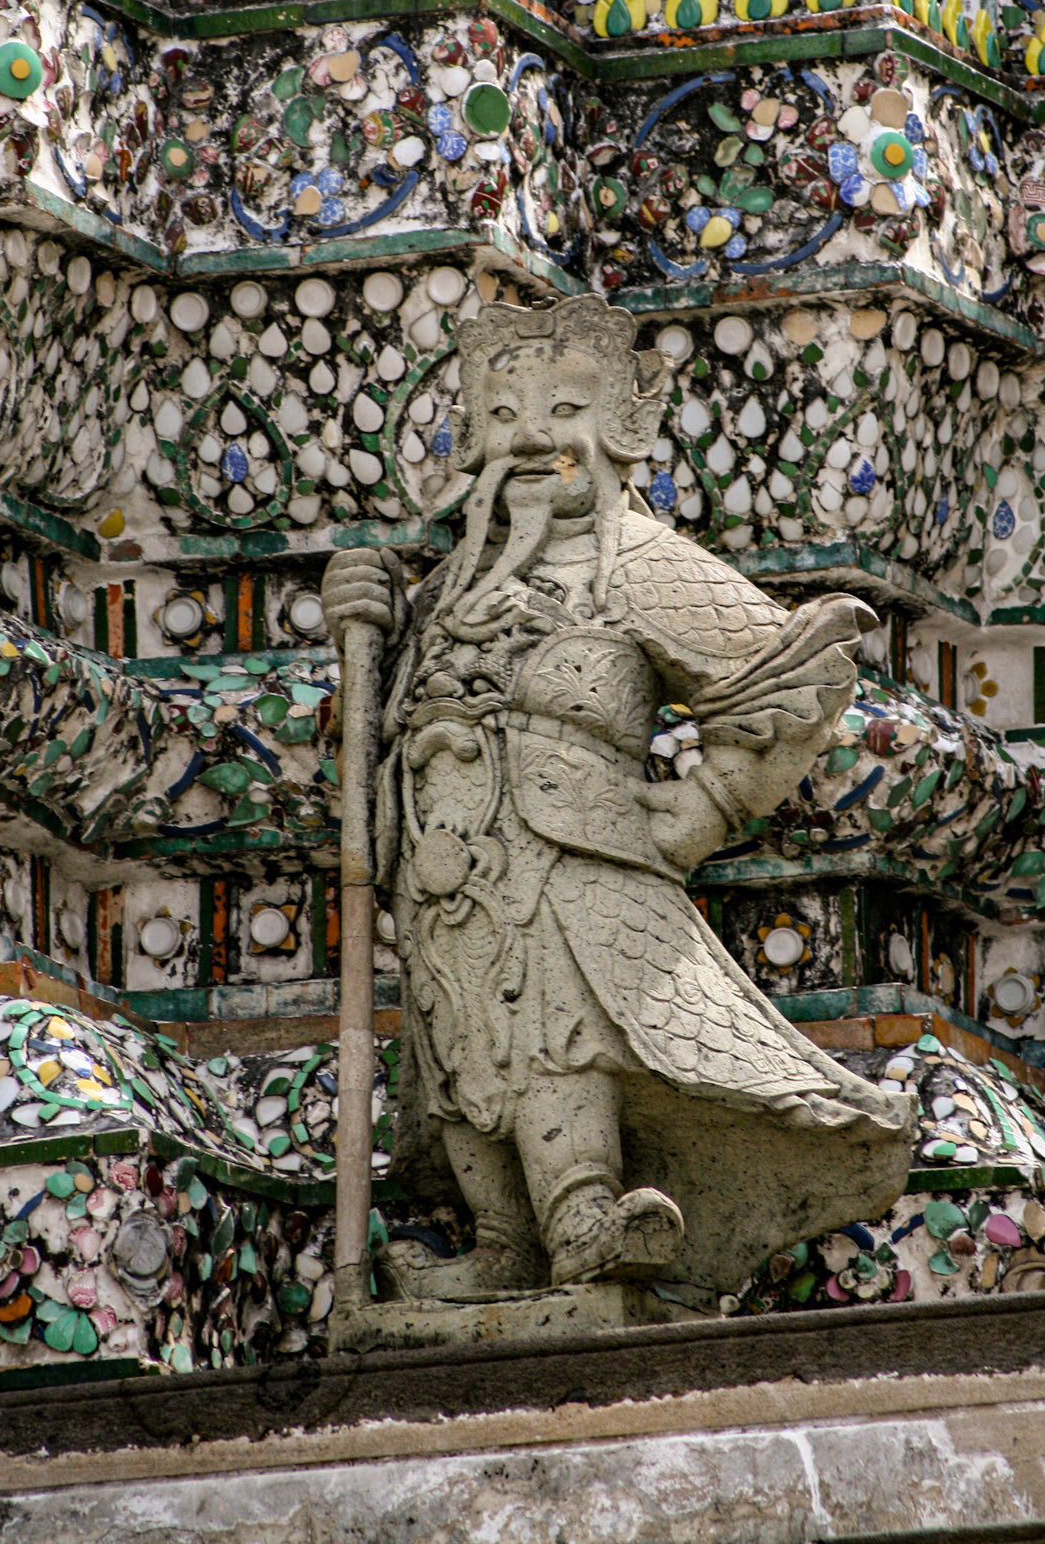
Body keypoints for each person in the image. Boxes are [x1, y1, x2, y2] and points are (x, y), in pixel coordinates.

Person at [322, 295, 914, 1305]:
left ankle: (586, 1214)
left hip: (574, 863)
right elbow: (368, 745)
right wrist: (364, 630)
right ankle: (504, 1237)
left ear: (622, 431)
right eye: (504, 417)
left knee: (560, 1037)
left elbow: (801, 669)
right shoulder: (446, 588)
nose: (536, 438)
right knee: (467, 1045)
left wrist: (712, 800)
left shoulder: (637, 562)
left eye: (563, 409)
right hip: (448, 866)